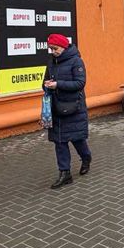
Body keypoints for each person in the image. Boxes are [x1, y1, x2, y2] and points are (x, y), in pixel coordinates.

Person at [44, 34, 91, 190]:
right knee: (59, 141)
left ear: (63, 47)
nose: (53, 52)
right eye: (51, 49)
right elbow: (44, 82)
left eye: (55, 48)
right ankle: (65, 173)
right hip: (56, 108)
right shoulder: (51, 62)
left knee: (77, 139)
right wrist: (46, 85)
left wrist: (58, 84)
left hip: (74, 107)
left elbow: (80, 83)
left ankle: (86, 158)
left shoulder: (76, 61)